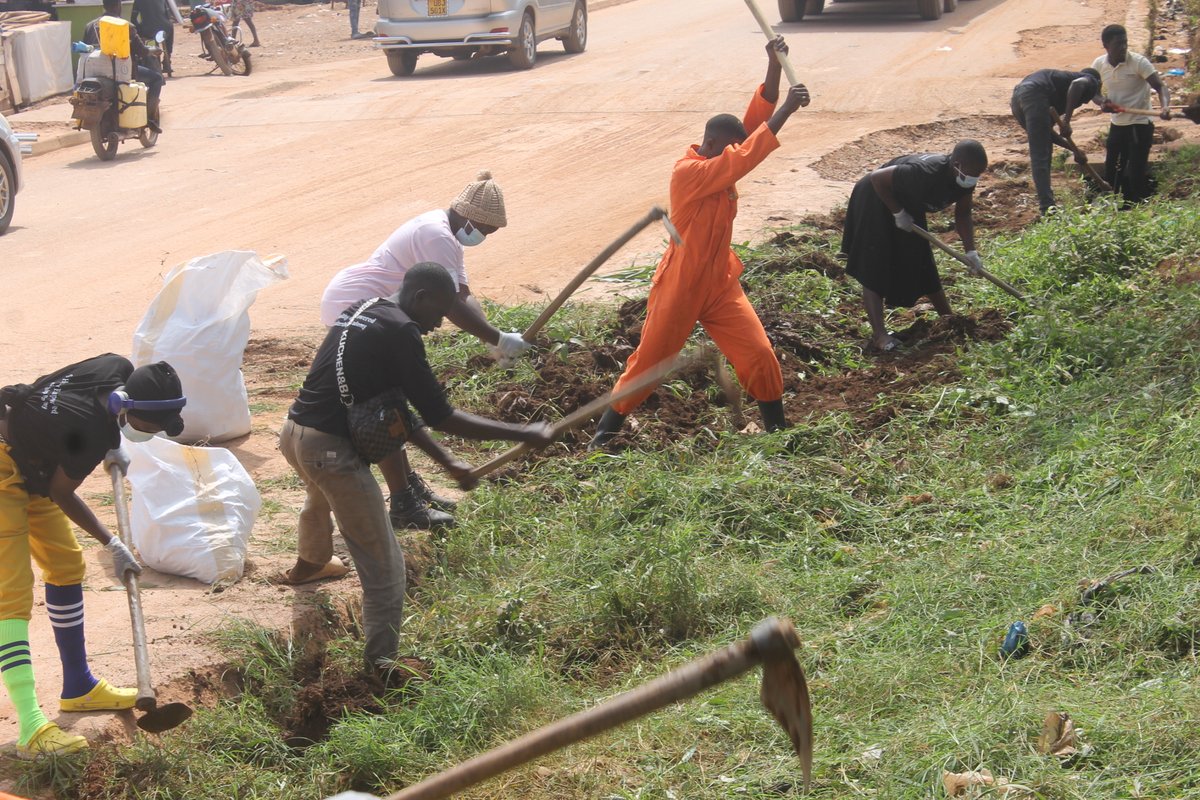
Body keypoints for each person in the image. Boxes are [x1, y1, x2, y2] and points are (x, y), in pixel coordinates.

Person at [279, 264, 554, 675]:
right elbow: (439, 415)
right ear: (421, 296)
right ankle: (381, 665)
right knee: (385, 567)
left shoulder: (366, 309)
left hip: (295, 434)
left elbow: (394, 409)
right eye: (439, 312)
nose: (439, 323)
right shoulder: (403, 332)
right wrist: (521, 432)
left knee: (320, 495)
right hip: (330, 452)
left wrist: (448, 461)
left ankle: (311, 563)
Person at [588, 37, 810, 448]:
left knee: (759, 353)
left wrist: (773, 65)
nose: (735, 158)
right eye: (729, 151)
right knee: (651, 363)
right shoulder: (688, 173)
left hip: (720, 282)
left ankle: (777, 432)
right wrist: (788, 111)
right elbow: (745, 155)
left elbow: (753, 127)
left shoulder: (721, 158)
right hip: (681, 286)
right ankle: (604, 435)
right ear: (709, 146)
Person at [320, 171, 532, 530]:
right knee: (384, 407)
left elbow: (461, 294)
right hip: (359, 305)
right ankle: (404, 502)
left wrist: (492, 337)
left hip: (377, 308)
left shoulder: (447, 234)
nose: (485, 237)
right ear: (469, 218)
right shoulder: (437, 236)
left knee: (392, 402)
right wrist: (497, 339)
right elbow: (449, 306)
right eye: (486, 229)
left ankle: (409, 489)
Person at [0, 357, 186, 757]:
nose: (155, 432)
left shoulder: (116, 368)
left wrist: (112, 444)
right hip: (4, 467)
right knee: (12, 596)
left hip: (32, 460)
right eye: (153, 425)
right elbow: (63, 493)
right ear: (126, 407)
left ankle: (79, 686)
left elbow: (90, 405)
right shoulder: (87, 428)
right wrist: (111, 542)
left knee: (66, 566)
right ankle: (31, 728)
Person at [842, 140, 989, 353]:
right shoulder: (925, 173)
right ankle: (880, 336)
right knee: (876, 263)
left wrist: (971, 251)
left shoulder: (965, 178)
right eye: (973, 173)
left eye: (979, 174)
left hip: (908, 203)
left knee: (922, 261)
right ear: (956, 164)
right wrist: (898, 212)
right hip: (876, 197)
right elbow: (877, 178)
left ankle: (949, 319)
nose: (975, 179)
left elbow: (963, 214)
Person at [1092, 23, 1171, 205]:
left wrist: (1165, 107)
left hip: (1140, 124)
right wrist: (1102, 102)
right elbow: (1092, 92)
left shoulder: (1138, 62)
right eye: (1119, 44)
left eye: (1125, 43)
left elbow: (1160, 87)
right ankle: (1113, 207)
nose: (1124, 48)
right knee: (1111, 170)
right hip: (1118, 124)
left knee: (1135, 171)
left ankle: (1138, 207)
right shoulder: (1098, 65)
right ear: (1106, 46)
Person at [1010, 67, 1102, 213]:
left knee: (1043, 147)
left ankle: (1047, 204)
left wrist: (1074, 150)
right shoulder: (1089, 79)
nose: (1083, 102)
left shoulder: (1059, 86)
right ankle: (1047, 208)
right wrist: (1067, 120)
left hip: (1018, 98)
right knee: (1040, 155)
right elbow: (1077, 85)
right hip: (1034, 94)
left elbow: (1048, 134)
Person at [83, 0, 164, 132]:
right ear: (118, 6)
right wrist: (153, 50)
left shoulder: (90, 26)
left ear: (104, 6)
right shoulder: (126, 26)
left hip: (94, 72)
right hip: (123, 72)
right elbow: (142, 51)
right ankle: (149, 119)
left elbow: (86, 50)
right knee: (156, 79)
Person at [131, 0, 175, 75]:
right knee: (170, 26)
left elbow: (133, 19)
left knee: (147, 37)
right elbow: (168, 15)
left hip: (148, 30)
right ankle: (167, 59)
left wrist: (139, 30)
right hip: (165, 28)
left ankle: (154, 61)